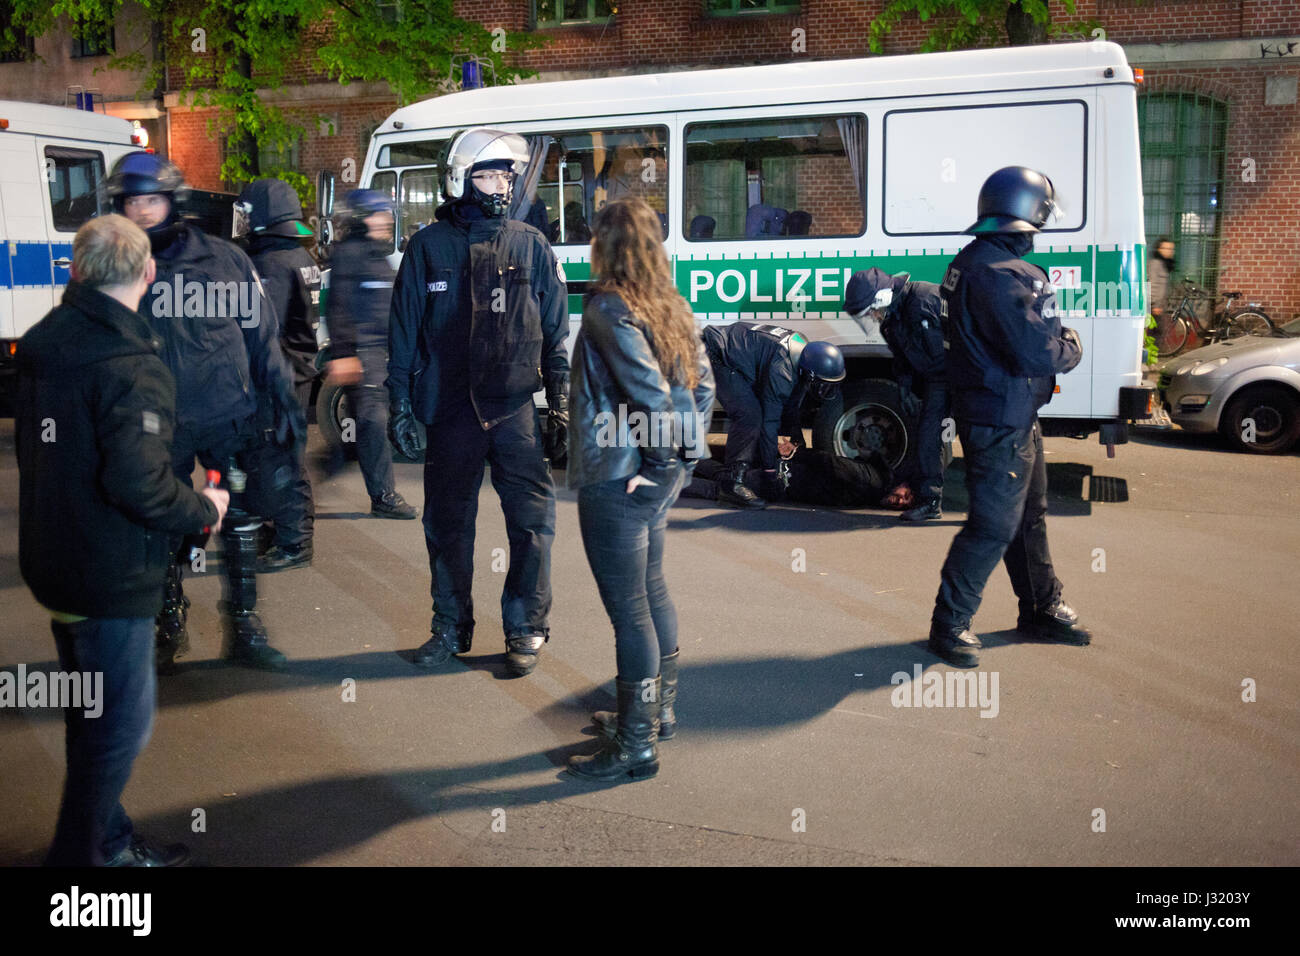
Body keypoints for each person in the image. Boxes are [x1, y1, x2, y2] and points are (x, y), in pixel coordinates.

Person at [15, 215, 230, 865]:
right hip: (109, 572)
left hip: (55, 559)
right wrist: (204, 507)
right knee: (118, 730)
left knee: (90, 715)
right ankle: (78, 865)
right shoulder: (131, 366)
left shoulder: (43, 341)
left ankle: (106, 840)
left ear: (76, 271)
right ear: (149, 274)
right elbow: (139, 485)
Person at [109, 151, 304, 673]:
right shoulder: (112, 265)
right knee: (160, 523)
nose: (143, 211)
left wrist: (282, 397)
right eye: (133, 202)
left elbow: (260, 335)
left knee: (238, 519)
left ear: (172, 200)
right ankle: (166, 623)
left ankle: (243, 626)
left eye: (152, 200)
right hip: (154, 422)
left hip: (225, 415)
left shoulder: (224, 259)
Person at [387, 127, 568, 677]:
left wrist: (558, 404)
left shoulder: (531, 244)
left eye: (506, 175)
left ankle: (525, 629)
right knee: (446, 524)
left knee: (532, 523)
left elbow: (556, 333)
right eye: (487, 174)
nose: (500, 185)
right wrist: (399, 405)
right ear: (459, 179)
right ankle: (449, 627)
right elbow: (402, 334)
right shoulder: (428, 247)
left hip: (513, 409)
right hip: (450, 410)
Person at [566, 197, 715, 781]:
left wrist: (655, 465)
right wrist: (680, 462)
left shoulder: (609, 307)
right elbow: (700, 391)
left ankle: (635, 745)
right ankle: (659, 717)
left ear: (606, 246)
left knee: (630, 612)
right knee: (650, 593)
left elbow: (649, 395)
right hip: (656, 475)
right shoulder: (670, 303)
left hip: (619, 475)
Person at [929, 166, 1090, 668]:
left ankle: (1040, 608)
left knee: (1028, 516)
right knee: (994, 525)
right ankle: (949, 624)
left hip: (1006, 412)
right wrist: (1072, 347)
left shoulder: (971, 261)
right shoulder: (1008, 274)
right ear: (1028, 214)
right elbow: (1037, 353)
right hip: (1000, 417)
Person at [237, 178, 321, 571]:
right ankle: (279, 531)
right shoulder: (301, 257)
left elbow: (260, 328)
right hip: (297, 370)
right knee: (279, 454)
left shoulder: (270, 264)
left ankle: (294, 542)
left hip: (278, 375)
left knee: (279, 458)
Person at [321, 189, 416, 519]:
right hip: (362, 355)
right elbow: (339, 305)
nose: (387, 219)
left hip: (378, 354)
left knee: (364, 427)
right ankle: (384, 496)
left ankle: (308, 474)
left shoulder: (377, 255)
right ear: (362, 219)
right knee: (373, 423)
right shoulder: (350, 254)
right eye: (379, 214)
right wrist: (344, 352)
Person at [702, 321, 845, 509]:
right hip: (716, 355)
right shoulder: (783, 369)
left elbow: (792, 407)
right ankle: (732, 485)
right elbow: (770, 421)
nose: (825, 390)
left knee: (755, 414)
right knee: (750, 416)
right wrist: (770, 474)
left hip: (732, 353)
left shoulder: (803, 359)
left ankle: (716, 467)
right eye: (823, 384)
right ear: (810, 375)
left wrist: (797, 443)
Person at [844, 266, 949, 521]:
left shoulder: (926, 299)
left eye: (871, 311)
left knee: (979, 441)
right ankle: (930, 500)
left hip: (963, 376)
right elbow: (901, 359)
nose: (873, 317)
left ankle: (1000, 504)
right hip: (938, 380)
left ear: (881, 298)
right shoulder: (891, 322)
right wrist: (905, 387)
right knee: (927, 436)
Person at [682, 445, 894, 509]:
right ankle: (661, 480)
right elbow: (830, 462)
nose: (899, 502)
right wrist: (796, 454)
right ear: (903, 485)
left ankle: (672, 454)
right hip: (786, 479)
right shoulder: (873, 481)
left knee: (724, 476)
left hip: (787, 476)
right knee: (719, 489)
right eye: (906, 496)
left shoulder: (874, 491)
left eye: (903, 505)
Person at [1147, 236, 1176, 352]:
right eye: (1166, 248)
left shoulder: (1163, 263)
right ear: (1159, 249)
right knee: (1156, 333)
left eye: (1171, 249)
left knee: (1156, 332)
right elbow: (1152, 284)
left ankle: (1150, 357)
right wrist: (1155, 304)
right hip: (1153, 305)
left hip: (1158, 305)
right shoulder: (1155, 264)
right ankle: (1150, 357)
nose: (1170, 251)